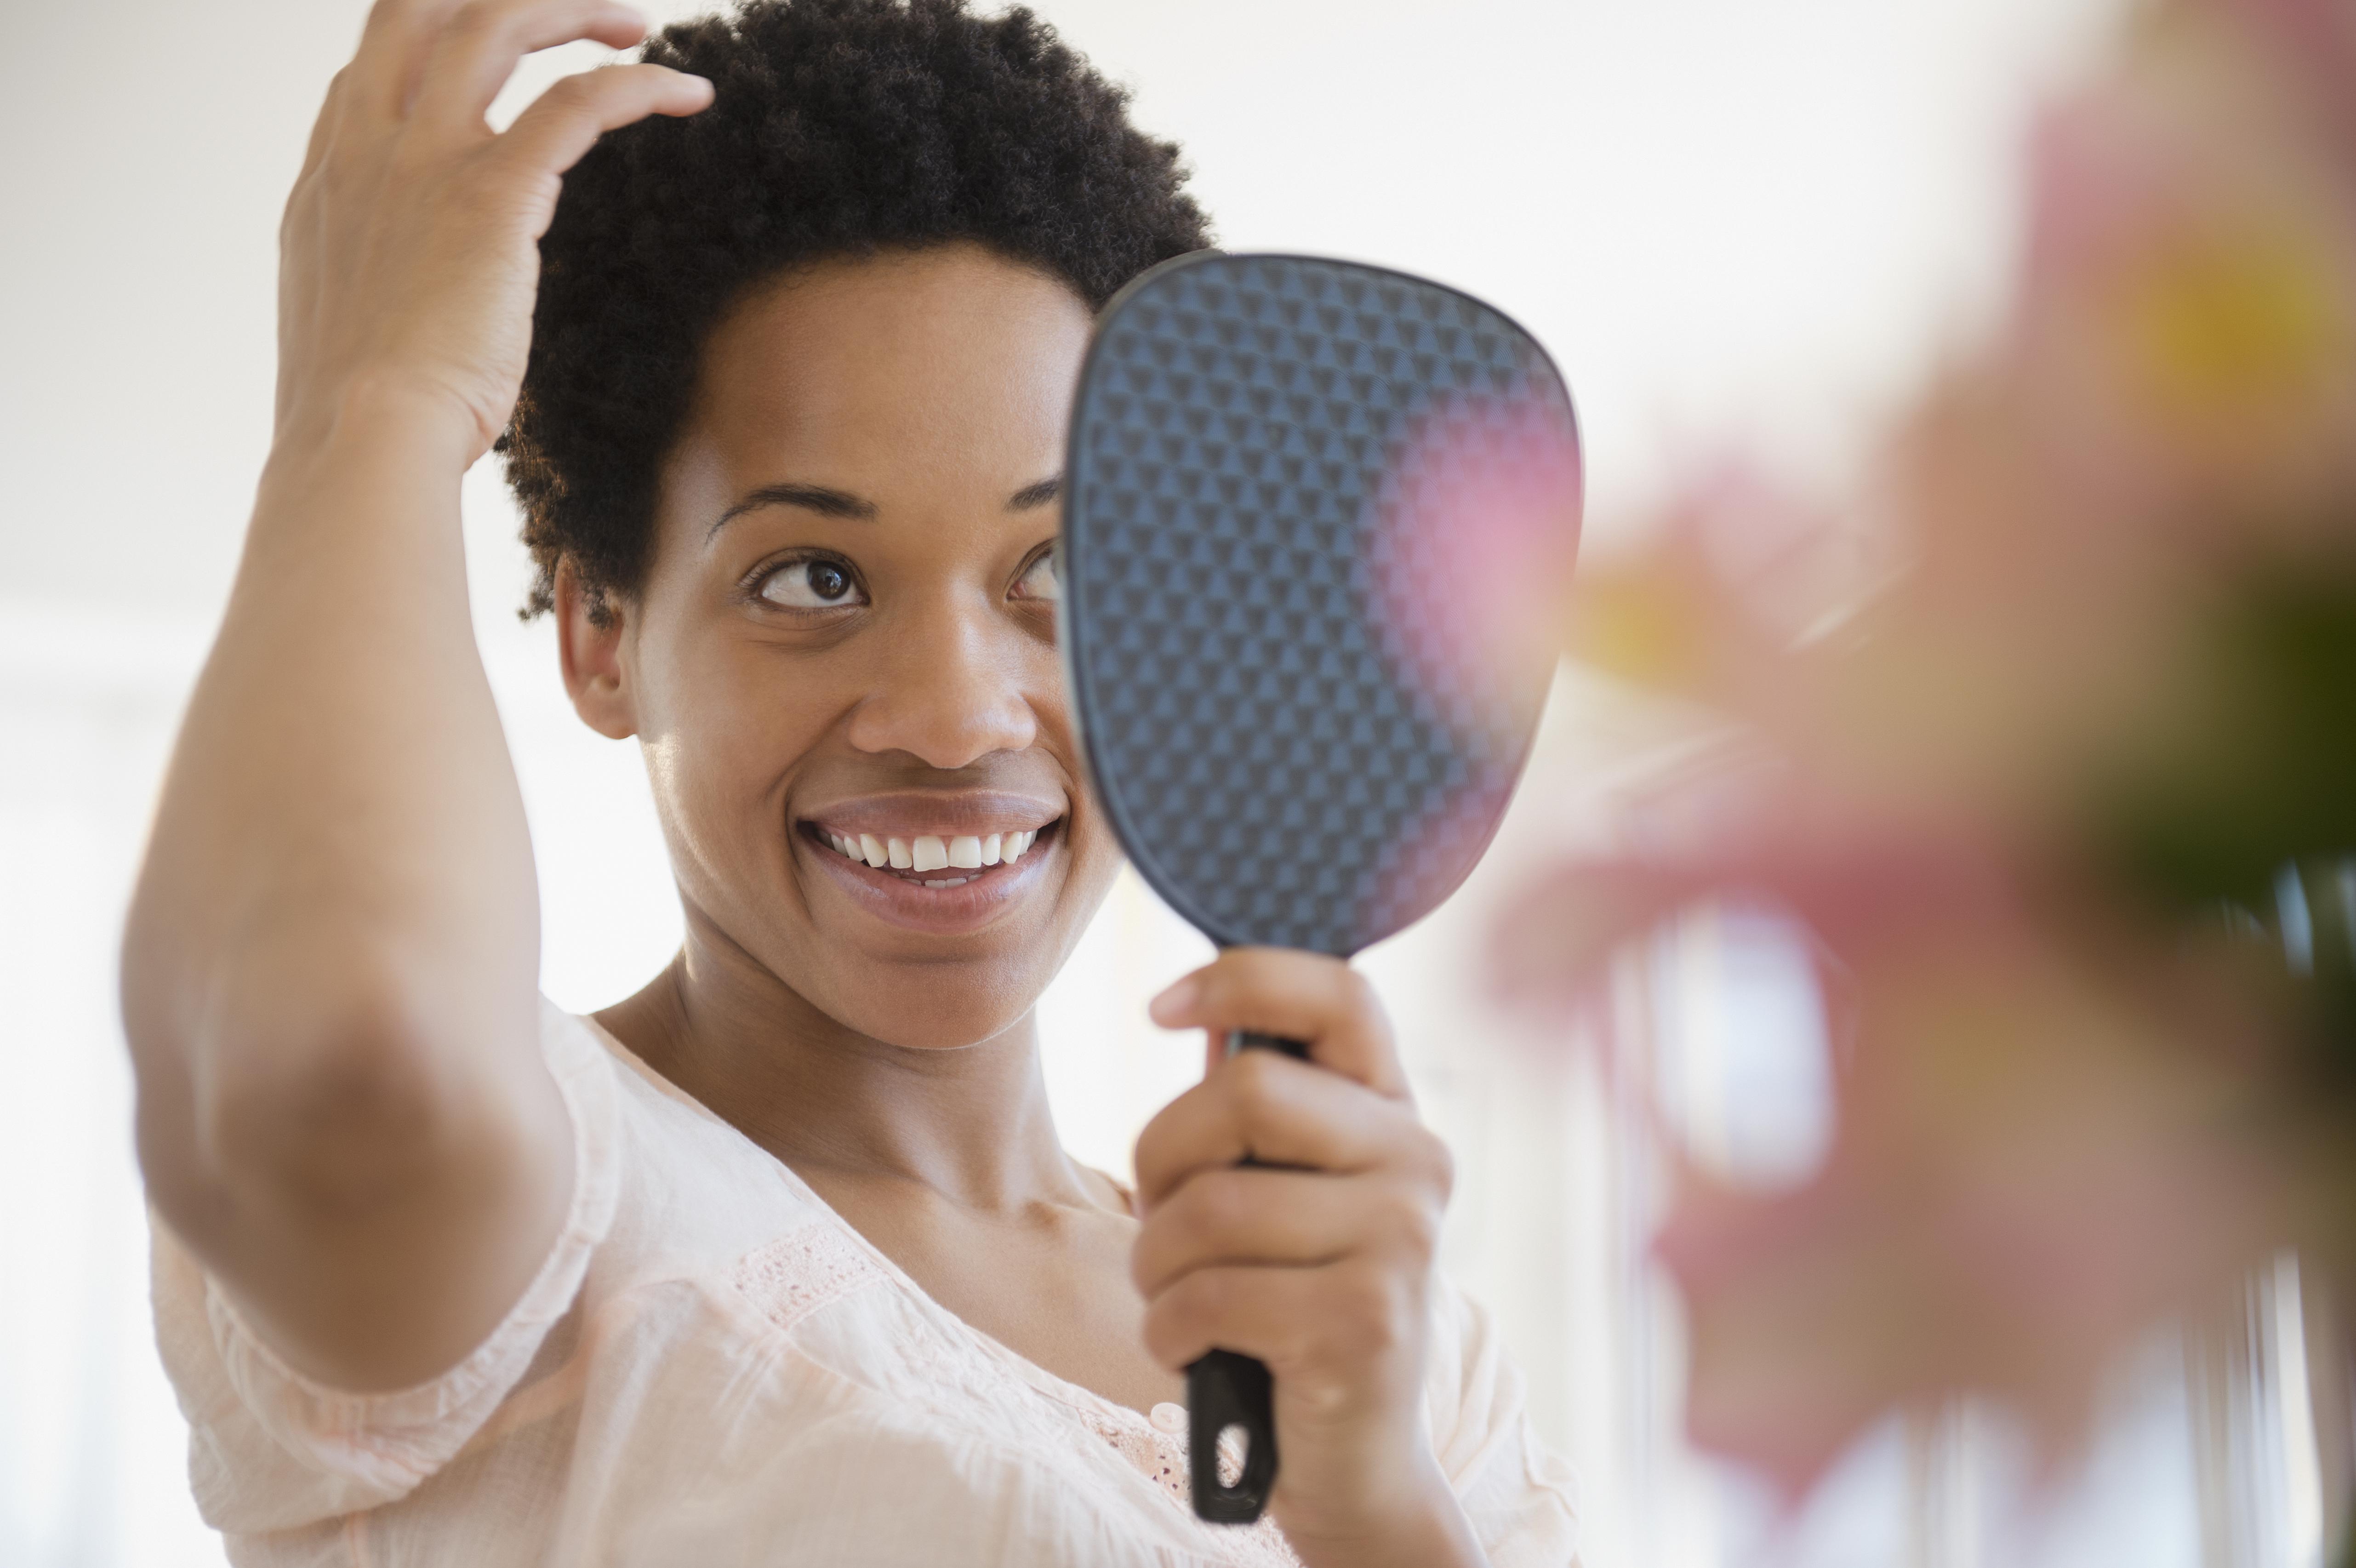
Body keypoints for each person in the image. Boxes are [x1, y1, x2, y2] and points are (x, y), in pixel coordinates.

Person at [121, 0, 1582, 1562]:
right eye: (814, 575)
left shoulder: (1415, 1361)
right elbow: (345, 1068)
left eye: (1061, 570)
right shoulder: (552, 1231)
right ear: (604, 633)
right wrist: (376, 411)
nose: (955, 719)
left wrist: (1376, 1506)